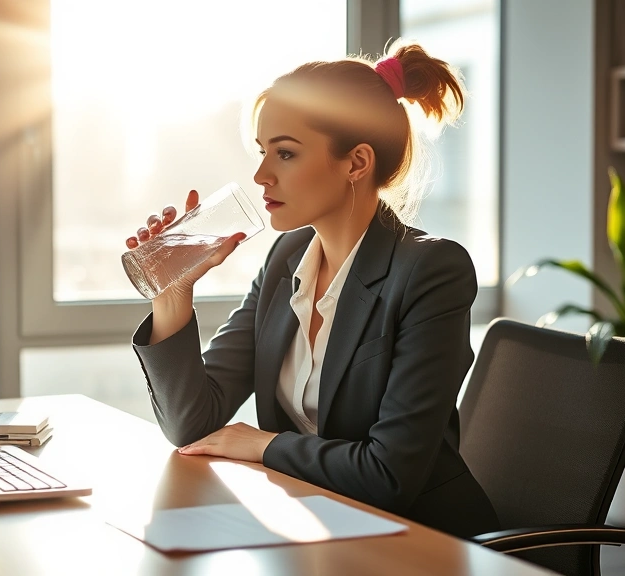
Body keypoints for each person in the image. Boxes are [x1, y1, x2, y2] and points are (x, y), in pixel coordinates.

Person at [125, 40, 499, 539]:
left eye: (285, 153)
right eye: (262, 152)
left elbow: (388, 476)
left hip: (419, 542)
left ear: (356, 163)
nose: (260, 175)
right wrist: (173, 295)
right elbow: (193, 427)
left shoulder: (432, 271)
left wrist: (262, 445)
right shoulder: (285, 260)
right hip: (313, 528)